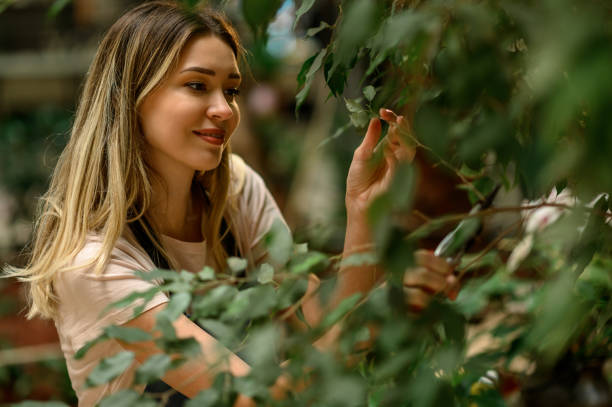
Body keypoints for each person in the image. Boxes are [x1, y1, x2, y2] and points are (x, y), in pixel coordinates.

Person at [4, 1, 455, 405]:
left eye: (231, 90)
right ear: (133, 99)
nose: (224, 108)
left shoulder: (235, 190)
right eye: (198, 86)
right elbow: (252, 400)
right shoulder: (94, 261)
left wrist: (364, 213)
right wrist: (368, 321)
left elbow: (322, 321)